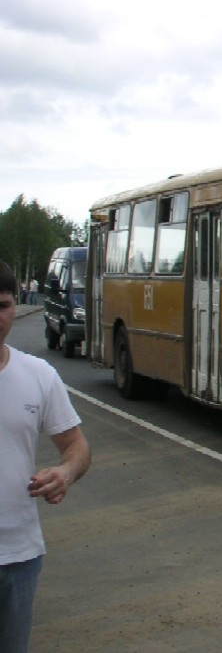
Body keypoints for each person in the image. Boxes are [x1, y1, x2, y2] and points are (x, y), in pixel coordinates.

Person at [0, 259, 91, 653]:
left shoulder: (38, 374)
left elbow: (77, 445)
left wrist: (66, 473)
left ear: (16, 305)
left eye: (2, 306)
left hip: (19, 556)